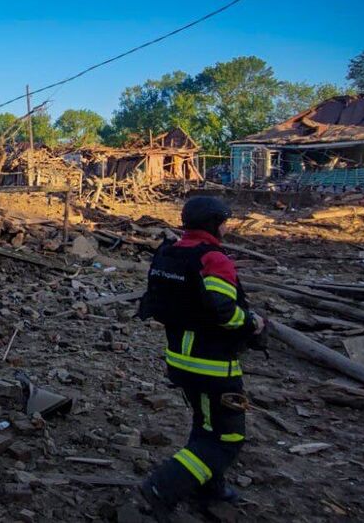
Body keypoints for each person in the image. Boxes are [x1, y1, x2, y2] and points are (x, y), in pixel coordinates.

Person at [136, 196, 266, 520]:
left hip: (179, 359)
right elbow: (223, 313)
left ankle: (210, 487)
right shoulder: (213, 258)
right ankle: (161, 487)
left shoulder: (171, 253)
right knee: (226, 438)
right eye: (224, 222)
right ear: (213, 224)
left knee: (205, 424)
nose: (226, 228)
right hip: (213, 365)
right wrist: (253, 323)